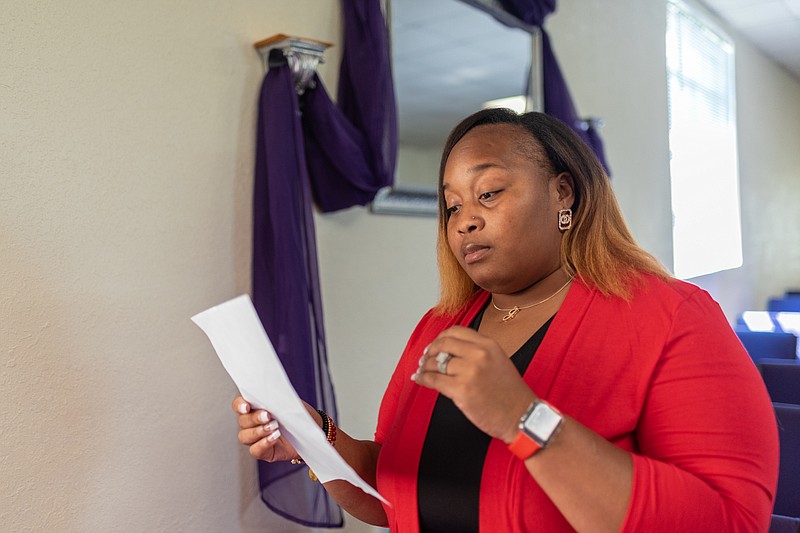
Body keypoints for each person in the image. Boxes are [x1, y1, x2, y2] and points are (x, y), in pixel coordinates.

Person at [233, 108, 779, 532]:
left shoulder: (672, 316)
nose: (466, 220)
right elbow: (393, 491)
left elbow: (730, 520)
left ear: (563, 193)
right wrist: (313, 437)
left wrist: (523, 417)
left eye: (489, 193)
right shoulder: (440, 325)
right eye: (451, 207)